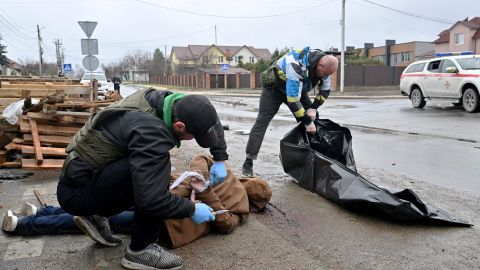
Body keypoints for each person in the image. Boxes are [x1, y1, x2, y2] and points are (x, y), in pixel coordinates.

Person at [56, 88, 229, 270]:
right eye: (194, 136)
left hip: (83, 176)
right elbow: (151, 200)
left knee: (150, 168)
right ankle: (141, 250)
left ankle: (95, 215)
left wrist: (219, 158)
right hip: (77, 193)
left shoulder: (164, 101)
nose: (194, 139)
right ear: (179, 127)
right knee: (156, 172)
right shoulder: (152, 132)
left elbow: (209, 117)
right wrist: (192, 209)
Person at [3, 155, 272, 249]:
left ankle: (33, 217)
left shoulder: (237, 198)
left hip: (164, 206)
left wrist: (202, 189)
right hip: (164, 206)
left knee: (101, 214)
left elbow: (224, 222)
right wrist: (201, 181)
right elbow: (201, 161)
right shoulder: (232, 185)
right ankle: (29, 220)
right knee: (104, 218)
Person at [242, 47, 339, 177]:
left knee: (314, 119)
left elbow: (325, 92)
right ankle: (248, 162)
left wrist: (313, 108)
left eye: (328, 75)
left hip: (297, 89)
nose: (326, 77)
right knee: (262, 122)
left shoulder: (325, 68)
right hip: (274, 89)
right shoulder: (295, 64)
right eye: (325, 74)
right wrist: (306, 120)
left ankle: (312, 160)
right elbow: (293, 100)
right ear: (320, 65)